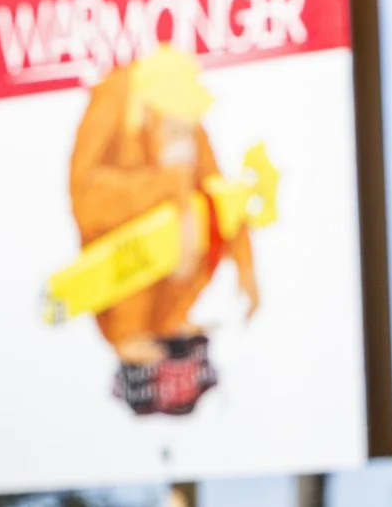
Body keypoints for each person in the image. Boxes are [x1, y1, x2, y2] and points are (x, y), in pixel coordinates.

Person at [65, 44, 262, 413]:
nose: (183, 132)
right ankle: (129, 332)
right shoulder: (111, 103)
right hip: (121, 251)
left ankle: (170, 318)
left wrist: (246, 267)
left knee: (204, 218)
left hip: (175, 253)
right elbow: (86, 197)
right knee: (147, 229)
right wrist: (162, 184)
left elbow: (220, 191)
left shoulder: (182, 114)